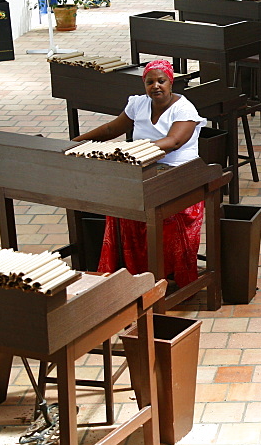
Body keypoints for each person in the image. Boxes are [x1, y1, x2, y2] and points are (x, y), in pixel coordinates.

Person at [72, 60, 207, 287]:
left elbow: (173, 142)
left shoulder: (184, 109)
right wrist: (77, 142)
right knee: (120, 204)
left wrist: (132, 151)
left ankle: (163, 274)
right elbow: (111, 129)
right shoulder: (138, 104)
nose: (156, 86)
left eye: (161, 81)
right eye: (150, 82)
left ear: (170, 82)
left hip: (179, 173)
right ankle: (132, 273)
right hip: (143, 169)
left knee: (157, 211)